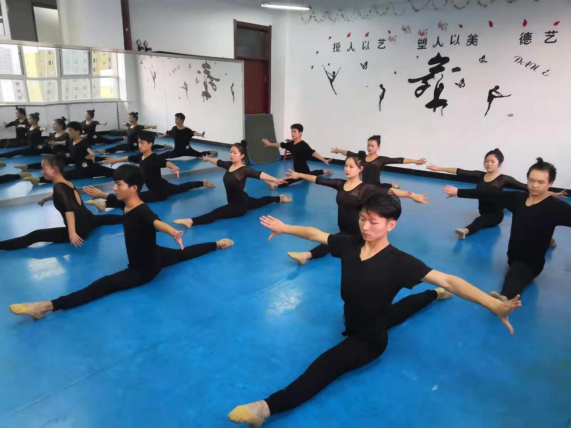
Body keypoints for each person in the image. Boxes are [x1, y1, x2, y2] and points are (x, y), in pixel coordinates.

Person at [228, 194, 522, 428]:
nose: (365, 227)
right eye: (362, 219)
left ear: (391, 225)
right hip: (360, 317)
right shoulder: (350, 244)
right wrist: (284, 228)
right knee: (400, 309)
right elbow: (316, 234)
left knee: (326, 365)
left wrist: (494, 303)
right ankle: (434, 296)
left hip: (369, 339)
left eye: (373, 222)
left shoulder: (400, 262)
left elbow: (449, 279)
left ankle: (265, 408)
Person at [9, 165, 234, 319]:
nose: (115, 187)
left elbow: (156, 222)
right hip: (155, 253)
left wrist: (172, 231)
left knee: (103, 285)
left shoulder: (143, 210)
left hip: (143, 269)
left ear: (133, 188)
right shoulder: (126, 204)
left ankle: (46, 306)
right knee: (184, 255)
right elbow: (113, 200)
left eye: (119, 184)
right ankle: (218, 244)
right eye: (114, 183)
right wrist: (101, 195)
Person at [443, 158, 571, 301]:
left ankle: (504, 299)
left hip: (532, 263)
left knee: (517, 271)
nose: (534, 185)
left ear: (550, 183)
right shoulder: (518, 199)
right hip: (512, 256)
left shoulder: (557, 208)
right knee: (516, 264)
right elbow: (488, 194)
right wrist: (458, 192)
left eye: (540, 182)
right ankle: (549, 242)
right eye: (531, 180)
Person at [285, 155, 429, 265]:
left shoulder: (366, 188)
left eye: (351, 167)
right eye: (346, 166)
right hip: (343, 228)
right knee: (338, 239)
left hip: (358, 231)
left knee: (334, 240)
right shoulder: (340, 184)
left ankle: (306, 255)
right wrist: (300, 175)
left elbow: (390, 191)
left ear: (360, 169)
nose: (347, 169)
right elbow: (318, 180)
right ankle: (308, 255)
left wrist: (412, 195)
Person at [428, 149, 567, 240]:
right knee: (498, 207)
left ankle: (465, 231)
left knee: (480, 220)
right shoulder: (480, 175)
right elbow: (460, 171)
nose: (488, 164)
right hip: (483, 208)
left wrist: (552, 194)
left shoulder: (504, 179)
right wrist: (438, 168)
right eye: (486, 161)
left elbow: (526, 187)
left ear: (499, 164)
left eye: (492, 161)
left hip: (495, 214)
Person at [0, 155, 122, 251]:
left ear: (55, 169)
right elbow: (60, 195)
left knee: (36, 235)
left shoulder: (59, 187)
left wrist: (72, 233)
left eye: (44, 168)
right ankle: (127, 217)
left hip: (79, 229)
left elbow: (69, 210)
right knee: (102, 219)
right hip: (89, 219)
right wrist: (45, 198)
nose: (42, 171)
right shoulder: (66, 183)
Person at [82, 131, 215, 210]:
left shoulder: (155, 158)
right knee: (180, 188)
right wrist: (115, 161)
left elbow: (166, 162)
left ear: (150, 144)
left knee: (133, 198)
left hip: (159, 192)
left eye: (142, 143)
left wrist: (174, 167)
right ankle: (202, 182)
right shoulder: (141, 156)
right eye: (139, 142)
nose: (139, 145)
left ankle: (104, 203)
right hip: (160, 185)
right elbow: (128, 158)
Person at [174, 141, 291, 229]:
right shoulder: (230, 165)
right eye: (231, 152)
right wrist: (208, 158)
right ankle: (279, 198)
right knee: (259, 202)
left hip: (238, 207)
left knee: (217, 213)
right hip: (244, 197)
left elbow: (259, 174)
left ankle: (191, 221)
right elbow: (218, 162)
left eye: (235, 153)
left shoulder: (244, 170)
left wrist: (275, 179)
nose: (231, 154)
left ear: (242, 156)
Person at [24, 122, 116, 186]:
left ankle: (39, 180)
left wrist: (92, 154)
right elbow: (64, 142)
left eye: (71, 130)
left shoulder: (83, 142)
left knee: (115, 173)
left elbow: (89, 150)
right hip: (80, 168)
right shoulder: (70, 141)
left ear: (78, 131)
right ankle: (38, 180)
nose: (69, 132)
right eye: (68, 130)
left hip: (91, 168)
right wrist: (55, 143)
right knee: (62, 174)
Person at [332, 135, 427, 188]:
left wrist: (415, 161)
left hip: (376, 187)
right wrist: (338, 150)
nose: (370, 148)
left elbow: (398, 160)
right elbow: (349, 153)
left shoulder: (381, 160)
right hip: (364, 186)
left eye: (372, 146)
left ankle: (391, 185)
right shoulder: (362, 157)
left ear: (378, 147)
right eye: (368, 145)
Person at [262, 124, 332, 189]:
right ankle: (324, 171)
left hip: (303, 171)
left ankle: (275, 184)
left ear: (300, 133)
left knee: (292, 179)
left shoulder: (304, 145)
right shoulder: (291, 144)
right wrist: (270, 144)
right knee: (311, 174)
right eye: (292, 132)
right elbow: (280, 144)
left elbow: (313, 153)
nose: (292, 133)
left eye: (294, 132)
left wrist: (324, 160)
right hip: (297, 170)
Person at [96, 112, 170, 154]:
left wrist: (152, 126)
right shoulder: (130, 125)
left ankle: (164, 146)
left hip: (135, 145)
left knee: (151, 147)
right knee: (118, 147)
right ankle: (105, 150)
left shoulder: (137, 127)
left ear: (135, 118)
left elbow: (144, 126)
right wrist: (125, 124)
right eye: (128, 118)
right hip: (129, 143)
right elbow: (127, 124)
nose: (129, 119)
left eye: (130, 118)